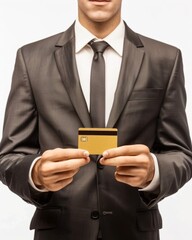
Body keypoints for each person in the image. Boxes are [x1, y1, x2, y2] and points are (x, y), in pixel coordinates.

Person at [0, 0, 192, 239]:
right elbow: (9, 157)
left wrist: (155, 170)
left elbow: (181, 154)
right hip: (59, 231)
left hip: (133, 231)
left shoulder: (165, 58)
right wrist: (35, 173)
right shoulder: (31, 58)